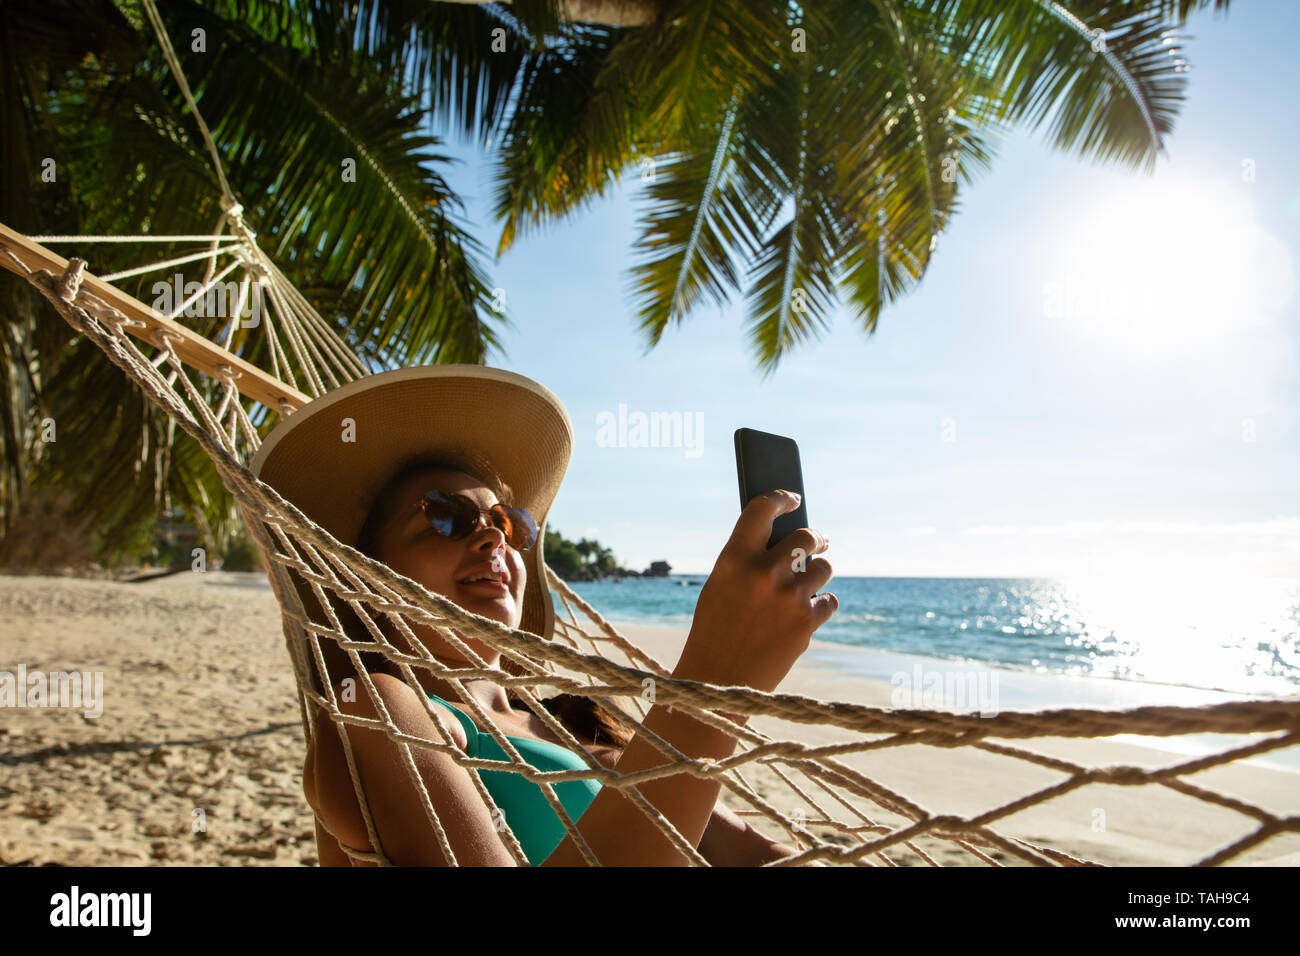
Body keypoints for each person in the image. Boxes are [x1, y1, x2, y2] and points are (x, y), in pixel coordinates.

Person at [250, 365, 838, 866]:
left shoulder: (580, 728)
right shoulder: (375, 710)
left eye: (507, 523)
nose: (492, 539)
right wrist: (713, 681)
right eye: (445, 517)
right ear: (367, 578)